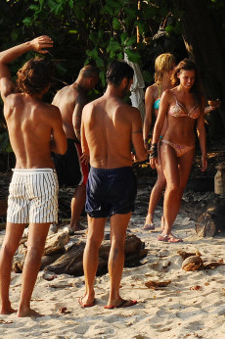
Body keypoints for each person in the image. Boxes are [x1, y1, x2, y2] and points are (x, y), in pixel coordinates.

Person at [0, 36, 66, 318]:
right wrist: (43, 143)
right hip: (42, 177)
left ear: (22, 79)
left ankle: (4, 305)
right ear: (47, 86)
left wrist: (30, 45)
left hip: (19, 176)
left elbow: (0, 59)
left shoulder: (10, 101)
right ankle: (24, 306)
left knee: (9, 245)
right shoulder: (50, 112)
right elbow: (60, 148)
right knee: (35, 246)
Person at [78, 61, 149, 309]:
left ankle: (88, 295)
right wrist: (140, 154)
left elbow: (85, 150)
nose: (130, 89)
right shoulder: (130, 113)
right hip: (121, 176)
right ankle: (113, 296)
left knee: (93, 239)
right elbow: (140, 154)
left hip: (96, 176)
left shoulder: (87, 109)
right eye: (130, 84)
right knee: (117, 240)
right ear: (125, 82)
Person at [151, 59, 207, 243]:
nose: (189, 81)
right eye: (186, 77)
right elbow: (158, 124)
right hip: (168, 143)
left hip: (189, 147)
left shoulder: (197, 97)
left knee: (180, 189)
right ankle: (166, 230)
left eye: (192, 78)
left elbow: (200, 128)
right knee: (172, 185)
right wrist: (153, 148)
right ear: (178, 75)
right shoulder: (168, 95)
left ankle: (168, 227)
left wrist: (204, 153)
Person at [51, 65, 99, 233]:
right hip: (71, 142)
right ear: (90, 79)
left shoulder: (61, 92)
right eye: (94, 83)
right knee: (83, 182)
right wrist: (86, 148)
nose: (93, 87)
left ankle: (51, 224)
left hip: (54, 143)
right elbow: (77, 124)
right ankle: (73, 224)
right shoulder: (80, 96)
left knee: (52, 184)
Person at [142, 53, 177, 231]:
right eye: (171, 68)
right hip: (160, 139)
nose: (174, 71)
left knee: (172, 180)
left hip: (176, 139)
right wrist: (146, 141)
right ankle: (150, 215)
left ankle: (165, 215)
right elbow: (148, 119)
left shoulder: (177, 89)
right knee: (162, 178)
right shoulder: (152, 91)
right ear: (163, 69)